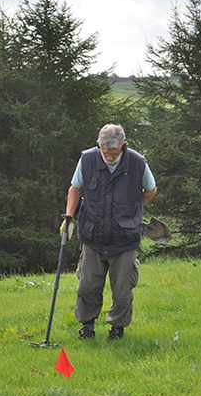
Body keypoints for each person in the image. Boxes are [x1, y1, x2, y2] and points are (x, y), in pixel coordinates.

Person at [61, 124, 157, 340]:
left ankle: (117, 328)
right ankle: (87, 326)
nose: (110, 156)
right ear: (99, 146)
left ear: (123, 146)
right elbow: (75, 188)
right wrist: (69, 217)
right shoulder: (87, 160)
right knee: (87, 285)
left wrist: (134, 207)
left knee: (122, 290)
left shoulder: (137, 162)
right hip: (93, 235)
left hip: (125, 239)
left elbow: (151, 189)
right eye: (105, 152)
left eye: (114, 152)